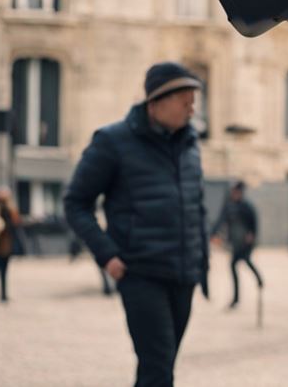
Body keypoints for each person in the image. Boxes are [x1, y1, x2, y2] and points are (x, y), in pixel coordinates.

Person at [64, 62, 209, 387]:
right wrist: (107, 256)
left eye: (193, 99)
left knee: (160, 366)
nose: (192, 107)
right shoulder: (112, 141)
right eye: (185, 99)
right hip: (141, 274)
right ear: (157, 101)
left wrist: (203, 263)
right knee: (158, 368)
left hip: (184, 275)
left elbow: (197, 205)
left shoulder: (190, 143)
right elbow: (75, 203)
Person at [212, 181, 263, 309]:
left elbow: (254, 222)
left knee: (241, 261)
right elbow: (221, 220)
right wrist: (213, 233)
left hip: (245, 243)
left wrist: (252, 235)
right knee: (238, 264)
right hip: (235, 242)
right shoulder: (229, 206)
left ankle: (256, 282)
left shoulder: (246, 206)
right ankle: (255, 283)